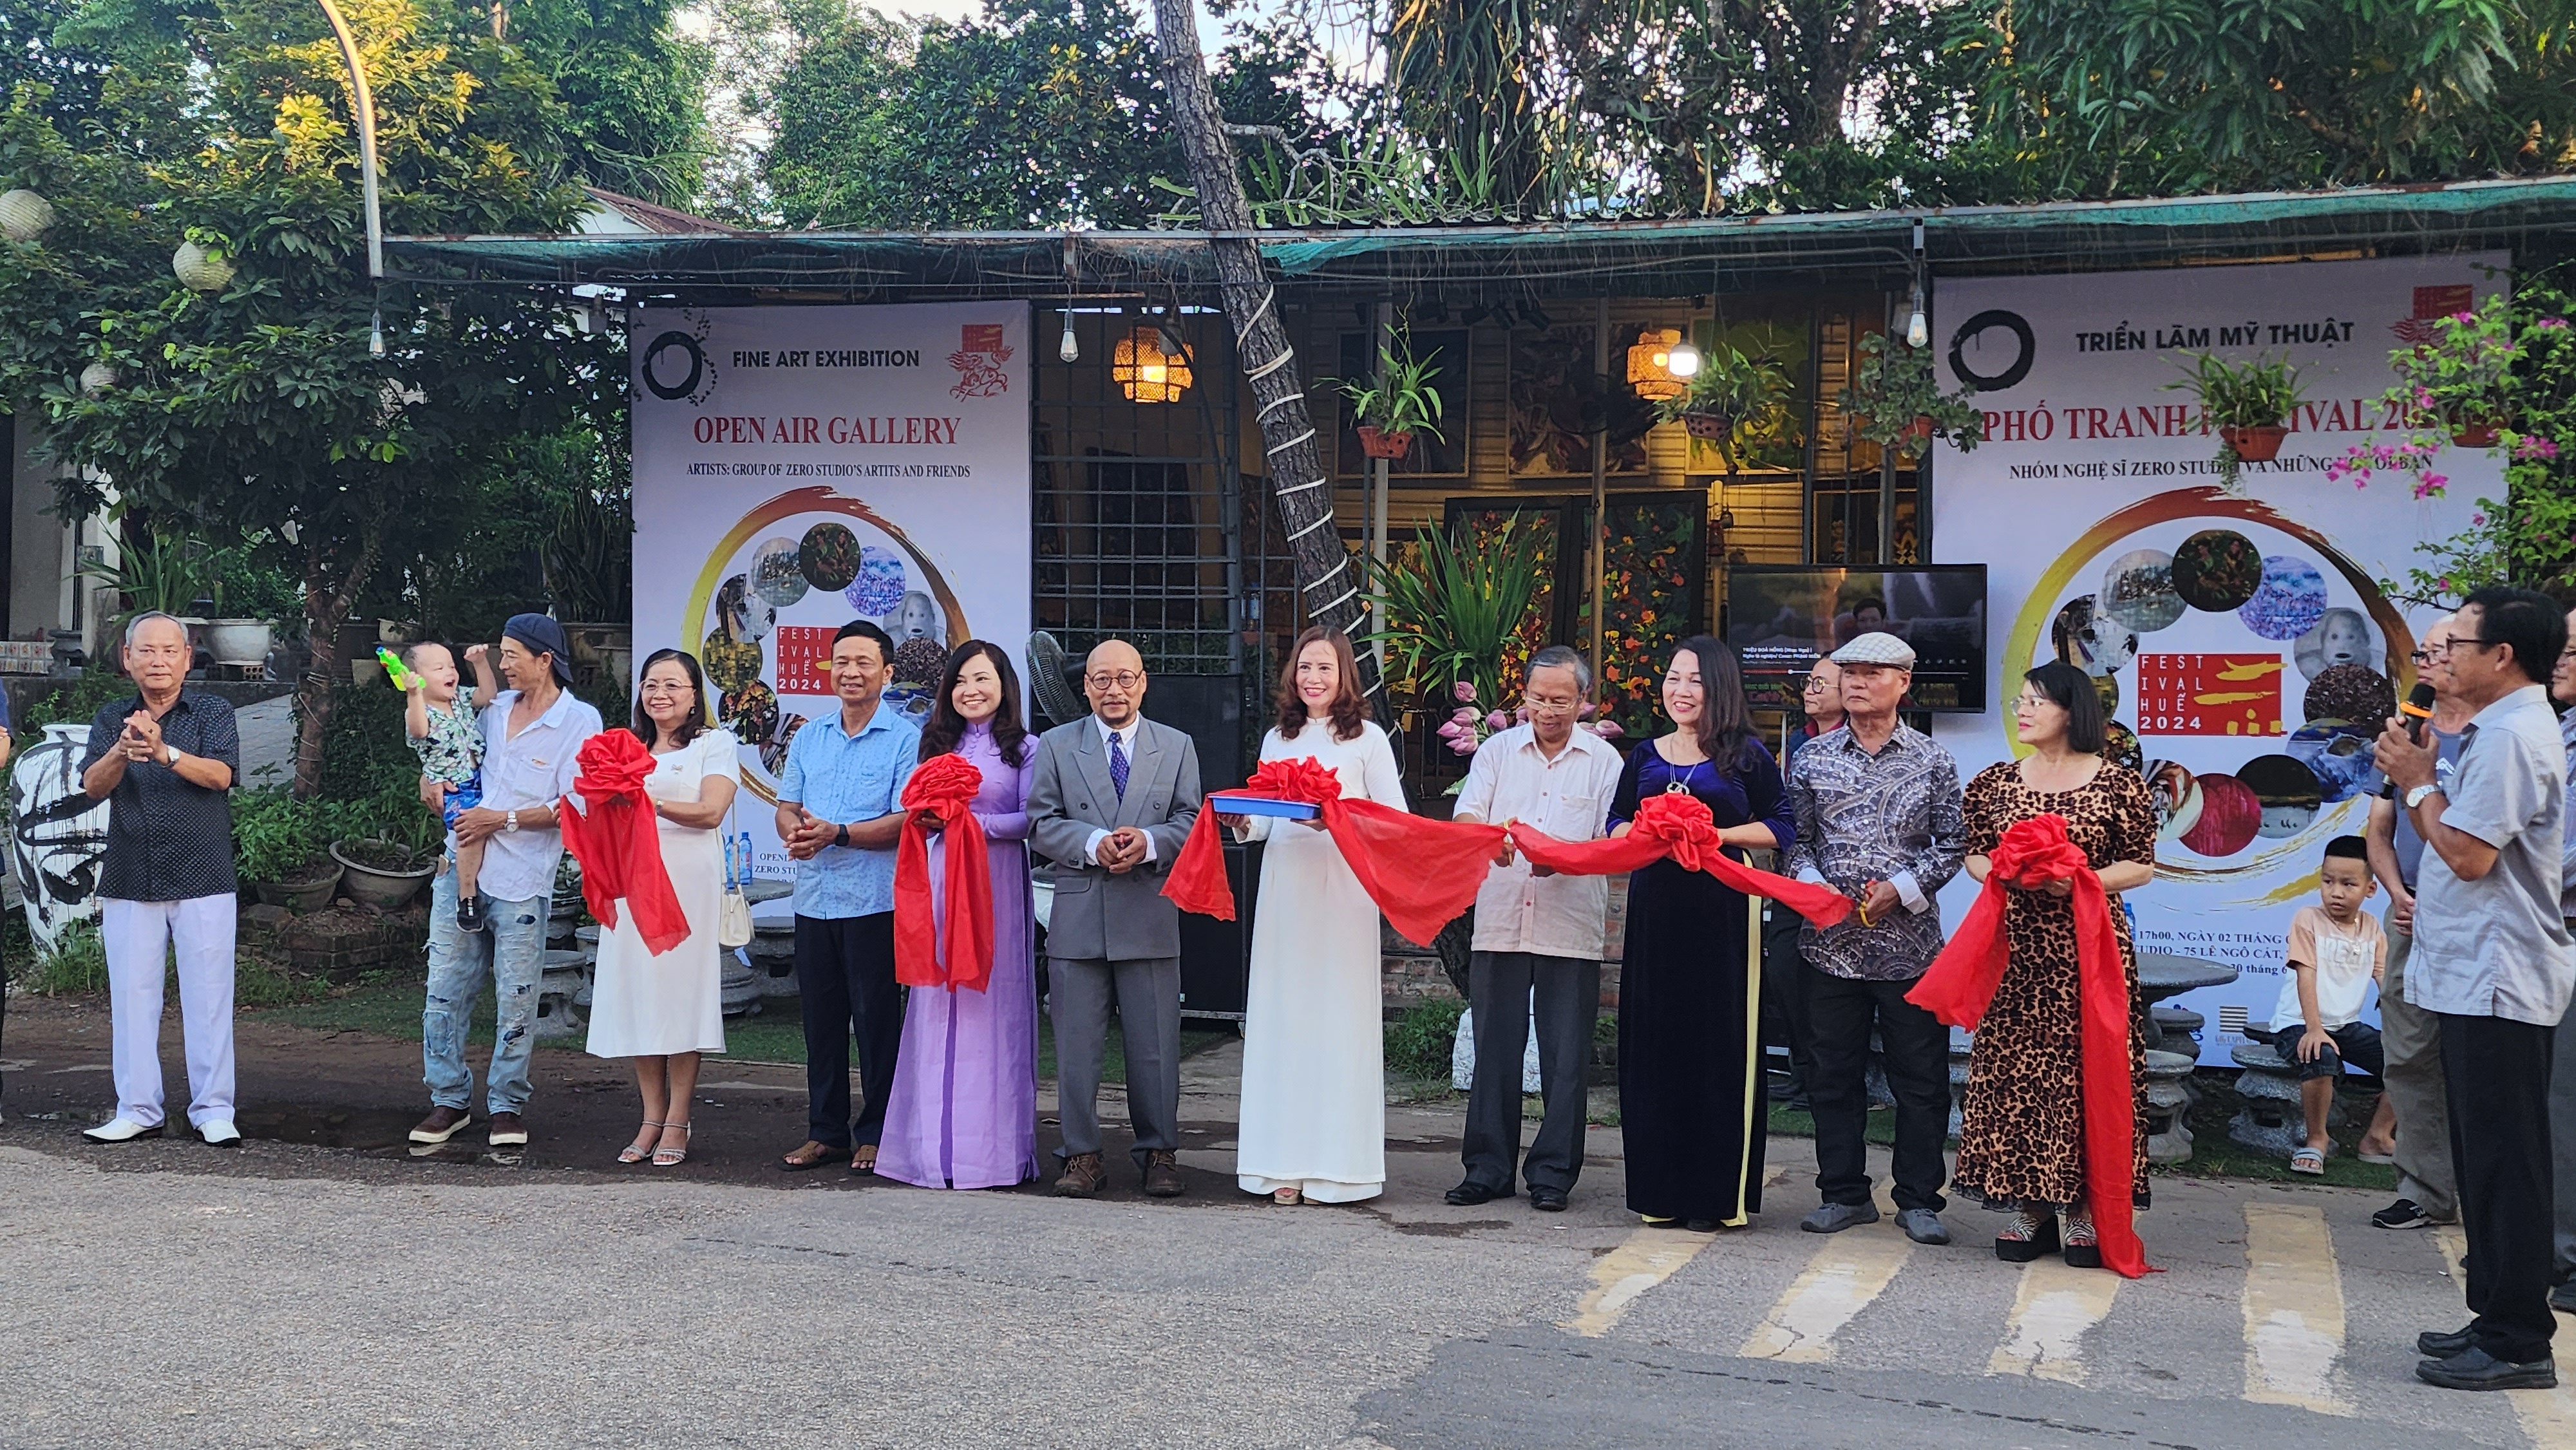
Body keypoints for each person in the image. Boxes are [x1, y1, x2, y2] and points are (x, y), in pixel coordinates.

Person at [2377, 585, 2573, 1391]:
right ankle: (2492, 1313)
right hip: (2469, 972)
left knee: (2507, 1161)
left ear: (2501, 657)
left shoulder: (2513, 736)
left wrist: (2419, 780)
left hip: (2500, 974)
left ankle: (2520, 1335)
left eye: (2456, 642)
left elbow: (2467, 856)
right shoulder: (2499, 727)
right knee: (2484, 1155)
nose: (2440, 657)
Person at [1951, 661, 2157, 1267]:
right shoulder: (1996, 783)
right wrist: (2010, 872)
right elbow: (1975, 856)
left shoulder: (2118, 784)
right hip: (2015, 951)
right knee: (2018, 1076)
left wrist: (2076, 880)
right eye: (2020, 701)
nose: (2022, 710)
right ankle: (2031, 1206)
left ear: (2071, 711)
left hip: (2088, 951)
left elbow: (2141, 865)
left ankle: (2086, 1210)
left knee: (2087, 1073)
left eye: (2035, 701)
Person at [1783, 632, 1965, 1245]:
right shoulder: (1811, 759)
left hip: (1910, 948)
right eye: (1850, 672)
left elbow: (1953, 844)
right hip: (1828, 946)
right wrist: (1815, 890)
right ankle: (1843, 1193)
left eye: (1872, 673)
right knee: (1832, 1075)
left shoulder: (1934, 761)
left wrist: (1902, 888)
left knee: (1921, 1079)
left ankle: (1919, 1199)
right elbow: (1795, 840)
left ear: (1904, 683)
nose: (1857, 683)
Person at [1609, 636, 1795, 1231]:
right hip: (1656, 907)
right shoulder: (1643, 756)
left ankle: (1716, 1196)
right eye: (1673, 678)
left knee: (1719, 1043)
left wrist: (1714, 835)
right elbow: (1615, 822)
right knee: (1655, 1040)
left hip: (1723, 910)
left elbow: (1782, 826)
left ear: (1719, 690)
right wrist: (1645, 833)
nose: (1681, 690)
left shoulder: (1746, 756)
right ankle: (1658, 1192)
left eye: (1695, 681)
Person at [1222, 626, 1408, 1205]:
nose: (1313, 678)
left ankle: (1338, 1169)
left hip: (1345, 892)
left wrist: (1337, 822)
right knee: (1285, 1017)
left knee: (1337, 1019)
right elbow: (1266, 819)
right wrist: (1244, 823)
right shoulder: (1279, 737)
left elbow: (1393, 821)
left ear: (1345, 674)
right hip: (1287, 887)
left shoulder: (1369, 740)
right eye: (1304, 667)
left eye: (1325, 668)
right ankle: (1278, 1163)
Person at [410, 614, 601, 1151]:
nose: (504, 663)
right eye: (501, 653)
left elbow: (576, 806)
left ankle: (506, 1105)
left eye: (513, 654)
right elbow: (444, 751)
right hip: (459, 870)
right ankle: (448, 1098)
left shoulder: (579, 722)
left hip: (522, 878)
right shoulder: (492, 710)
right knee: (444, 992)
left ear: (545, 659)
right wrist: (429, 779)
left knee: (517, 999)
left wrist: (504, 820)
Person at [1443, 645, 1623, 1212]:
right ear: (1524, 697)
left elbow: (1611, 841)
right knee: (1495, 1047)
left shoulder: (1604, 762)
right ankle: (1487, 1168)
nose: (1548, 710)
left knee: (1565, 1055)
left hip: (1569, 923)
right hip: (1500, 918)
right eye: (1538, 698)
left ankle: (1552, 1174)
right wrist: (1488, 840)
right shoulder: (1496, 752)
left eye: (1561, 700)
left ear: (1584, 702)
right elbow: (1468, 814)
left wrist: (1565, 858)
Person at [1027, 639, 1203, 1198]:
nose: (1114, 690)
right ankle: (1081, 1155)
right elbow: (1040, 823)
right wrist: (1094, 841)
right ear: (1086, 687)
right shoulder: (1057, 745)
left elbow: (1193, 819)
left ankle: (1159, 1151)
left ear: (1143, 683)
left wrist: (1149, 842)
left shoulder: (1176, 746)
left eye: (1125, 679)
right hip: (1079, 911)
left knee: (1155, 1047)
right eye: (1102, 680)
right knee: (1077, 1046)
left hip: (1148, 909)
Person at [878, 641, 1042, 1191]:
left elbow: (1031, 820)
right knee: (936, 1005)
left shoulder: (1025, 749)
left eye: (983, 679)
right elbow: (914, 813)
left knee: (993, 1006)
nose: (971, 690)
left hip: (994, 884)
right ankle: (931, 1153)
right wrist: (932, 819)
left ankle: (988, 1157)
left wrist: (970, 825)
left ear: (1004, 687)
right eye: (961, 681)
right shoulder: (935, 747)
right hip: (942, 882)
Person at [76, 612, 243, 1146]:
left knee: (210, 997)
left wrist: (166, 753)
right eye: (146, 651)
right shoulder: (111, 717)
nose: (158, 661)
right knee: (131, 997)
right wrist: (123, 749)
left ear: (188, 659)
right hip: (130, 873)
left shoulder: (213, 711)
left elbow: (221, 776)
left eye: (169, 651)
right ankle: (137, 1107)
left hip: (205, 873)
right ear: (127, 658)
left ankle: (214, 1109)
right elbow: (92, 787)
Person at [775, 619, 919, 1174]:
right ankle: (825, 1131)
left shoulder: (906, 739)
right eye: (841, 662)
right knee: (821, 1021)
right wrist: (796, 829)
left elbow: (908, 821)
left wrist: (838, 834)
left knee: (877, 1021)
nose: (850, 672)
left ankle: (879, 1131)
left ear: (887, 673)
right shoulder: (810, 736)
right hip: (814, 900)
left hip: (874, 902)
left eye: (863, 663)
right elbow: (787, 804)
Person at [584, 649, 735, 1167]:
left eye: (673, 685)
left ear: (695, 695)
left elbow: (712, 811)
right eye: (651, 684)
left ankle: (679, 1118)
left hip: (685, 888)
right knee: (640, 998)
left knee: (679, 998)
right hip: (631, 885)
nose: (660, 695)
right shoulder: (623, 747)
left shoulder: (714, 744)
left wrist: (648, 801)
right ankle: (650, 1117)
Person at [2364, 615, 2466, 1230]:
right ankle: (2424, 1190)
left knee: (2482, 1060)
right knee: (2407, 1055)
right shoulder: (2410, 731)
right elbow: (2379, 829)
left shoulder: (2489, 736)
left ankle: (2488, 1190)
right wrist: (2399, 893)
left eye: (2437, 652)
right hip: (2407, 916)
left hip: (2472, 920)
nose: (2423, 664)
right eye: (2420, 653)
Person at [2256, 836, 2390, 1176]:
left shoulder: (2373, 928)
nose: (2336, 892)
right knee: (2321, 1055)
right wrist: (2314, 1029)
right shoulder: (2307, 919)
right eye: (2328, 882)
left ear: (2370, 890)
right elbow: (2306, 977)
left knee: (2409, 1065)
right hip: (2297, 1023)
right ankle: (2317, 1139)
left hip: (2346, 1025)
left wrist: (2403, 1034)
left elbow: (2386, 983)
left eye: (2349, 884)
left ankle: (2377, 1136)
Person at [1763, 657, 1846, 1111]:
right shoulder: (1799, 740)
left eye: (1820, 683)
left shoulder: (1854, 744)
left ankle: (1824, 1077)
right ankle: (1800, 1068)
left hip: (1842, 881)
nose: (1810, 691)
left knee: (1826, 983)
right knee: (1784, 969)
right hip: (1796, 872)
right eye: (1808, 682)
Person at [401, 641, 499, 930]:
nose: (450, 672)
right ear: (416, 676)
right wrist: (414, 694)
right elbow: (419, 730)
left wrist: (480, 664)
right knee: (470, 833)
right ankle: (467, 896)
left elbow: (489, 695)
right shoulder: (418, 710)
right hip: (455, 788)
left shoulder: (459, 699)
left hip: (482, 778)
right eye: (438, 668)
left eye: (452, 666)